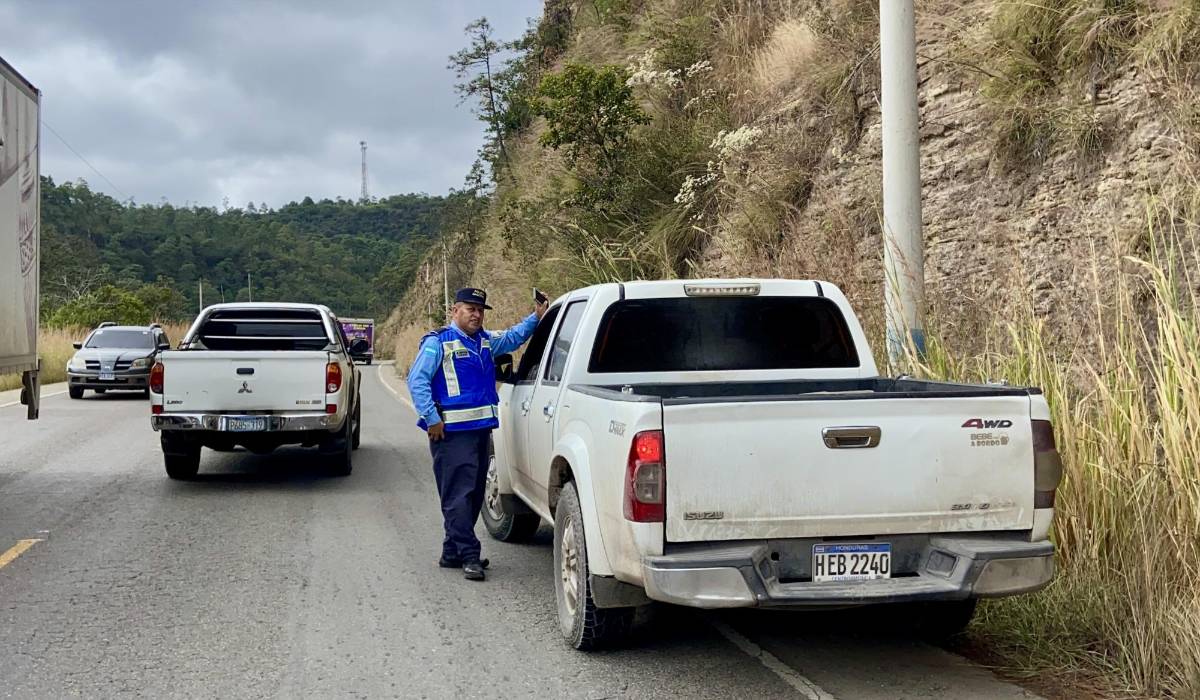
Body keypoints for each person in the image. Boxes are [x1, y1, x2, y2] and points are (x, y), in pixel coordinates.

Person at [406, 287, 548, 581]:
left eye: (480, 310)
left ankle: (451, 552)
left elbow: (512, 337)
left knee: (471, 496)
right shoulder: (438, 343)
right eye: (470, 308)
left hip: (481, 430)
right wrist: (432, 419)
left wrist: (535, 318)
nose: (476, 314)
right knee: (458, 496)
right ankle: (469, 554)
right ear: (454, 311)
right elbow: (416, 379)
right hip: (451, 435)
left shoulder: (484, 341)